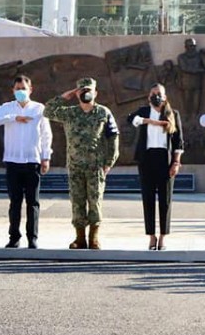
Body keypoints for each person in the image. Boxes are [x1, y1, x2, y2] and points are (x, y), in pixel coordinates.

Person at [44, 77, 120, 250]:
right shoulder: (70, 112)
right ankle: (80, 238)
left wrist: (108, 162)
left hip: (96, 166)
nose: (86, 93)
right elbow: (47, 110)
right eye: (82, 91)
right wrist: (66, 96)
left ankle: (94, 238)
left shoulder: (103, 112)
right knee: (77, 202)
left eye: (89, 90)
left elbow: (114, 137)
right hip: (75, 166)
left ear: (96, 93)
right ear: (77, 93)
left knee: (95, 202)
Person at [0, 75, 53, 249]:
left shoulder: (39, 109)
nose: (21, 92)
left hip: (32, 160)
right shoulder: (7, 108)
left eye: (24, 88)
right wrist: (13, 117)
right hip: (13, 160)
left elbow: (46, 135)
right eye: (18, 89)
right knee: (15, 202)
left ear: (30, 89)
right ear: (13, 90)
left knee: (33, 202)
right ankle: (14, 237)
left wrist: (46, 157)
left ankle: (32, 237)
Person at [127, 84, 184, 250]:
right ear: (148, 96)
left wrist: (176, 162)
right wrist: (150, 121)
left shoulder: (173, 114)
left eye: (159, 94)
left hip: (165, 160)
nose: (156, 96)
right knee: (148, 198)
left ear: (165, 97)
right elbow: (131, 119)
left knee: (165, 200)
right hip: (147, 159)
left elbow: (178, 140)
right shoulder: (144, 111)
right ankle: (151, 237)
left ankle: (163, 237)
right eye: (153, 94)